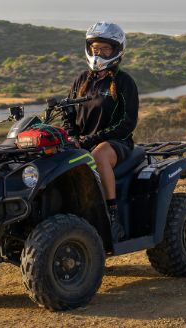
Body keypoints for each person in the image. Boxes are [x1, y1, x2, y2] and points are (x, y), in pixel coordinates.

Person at [66, 21, 138, 241]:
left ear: (116, 51)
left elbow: (127, 123)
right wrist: (71, 136)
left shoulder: (124, 82)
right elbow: (67, 113)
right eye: (96, 48)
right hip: (82, 142)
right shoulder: (81, 80)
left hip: (116, 143)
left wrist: (92, 140)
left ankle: (112, 213)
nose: (99, 53)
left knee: (99, 154)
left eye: (105, 49)